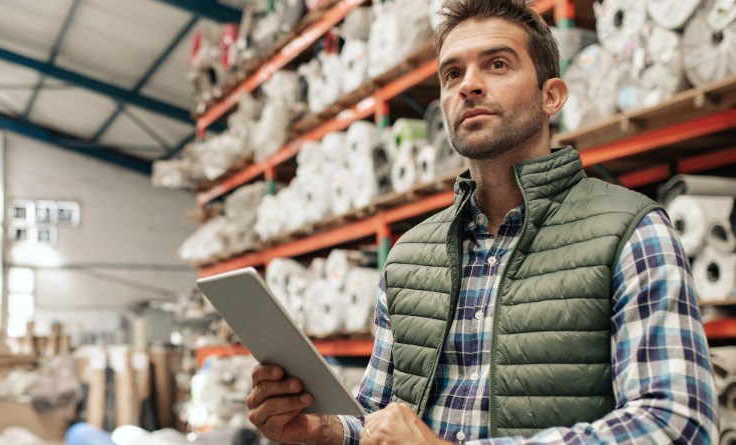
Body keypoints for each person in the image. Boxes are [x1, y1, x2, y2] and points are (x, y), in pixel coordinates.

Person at [245, 0, 718, 443]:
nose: (468, 84)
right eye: (452, 73)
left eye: (497, 64)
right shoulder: (409, 257)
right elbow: (378, 415)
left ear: (551, 95)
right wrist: (326, 429)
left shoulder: (632, 232)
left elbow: (676, 423)